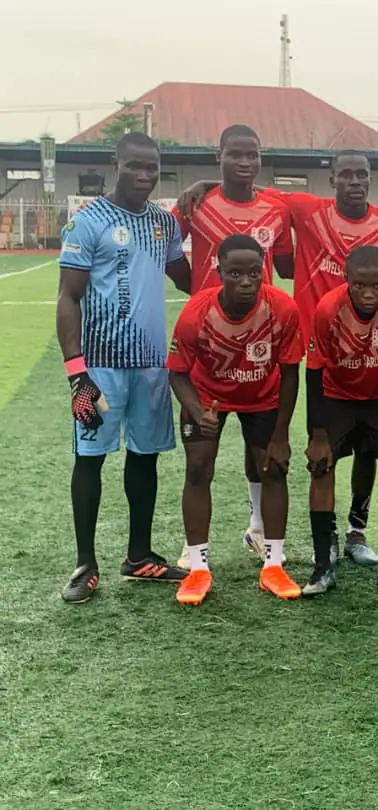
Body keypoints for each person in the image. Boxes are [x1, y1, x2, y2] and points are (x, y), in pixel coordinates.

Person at [179, 150, 378, 566]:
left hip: (371, 359)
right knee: (314, 451)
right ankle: (294, 533)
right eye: (346, 174)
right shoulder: (306, 209)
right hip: (316, 360)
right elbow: (249, 189)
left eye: (362, 175)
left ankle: (356, 530)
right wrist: (205, 185)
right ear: (332, 179)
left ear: (370, 179)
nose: (354, 182)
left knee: (370, 452)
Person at [56, 132, 192, 604]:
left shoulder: (163, 224)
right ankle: (85, 563)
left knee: (145, 457)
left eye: (152, 167)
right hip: (99, 369)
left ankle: (139, 555)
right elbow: (68, 297)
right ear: (115, 164)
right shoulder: (88, 221)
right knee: (90, 458)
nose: (145, 174)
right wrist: (77, 373)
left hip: (151, 368)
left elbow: (188, 280)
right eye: (135, 165)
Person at [171, 124, 295, 567]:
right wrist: (193, 289)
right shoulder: (196, 204)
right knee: (200, 456)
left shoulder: (276, 206)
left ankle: (258, 528)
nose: (245, 162)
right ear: (218, 155)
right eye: (235, 154)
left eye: (252, 155)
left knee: (259, 447)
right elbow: (167, 249)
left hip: (259, 336)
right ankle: (193, 547)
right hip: (208, 339)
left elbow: (286, 265)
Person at [167, 234, 304, 606]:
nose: (246, 281)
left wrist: (281, 435)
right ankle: (198, 568)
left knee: (273, 468)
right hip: (207, 396)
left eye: (254, 273)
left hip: (262, 396)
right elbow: (177, 372)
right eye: (235, 273)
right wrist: (198, 411)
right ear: (219, 272)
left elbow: (290, 373)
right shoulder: (197, 312)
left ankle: (273, 565)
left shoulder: (283, 308)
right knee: (198, 469)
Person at [303, 246, 378, 597]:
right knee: (321, 466)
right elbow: (313, 372)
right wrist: (317, 434)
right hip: (336, 397)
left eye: (377, 286)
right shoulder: (328, 309)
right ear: (346, 279)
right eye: (359, 285)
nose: (368, 293)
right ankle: (323, 564)